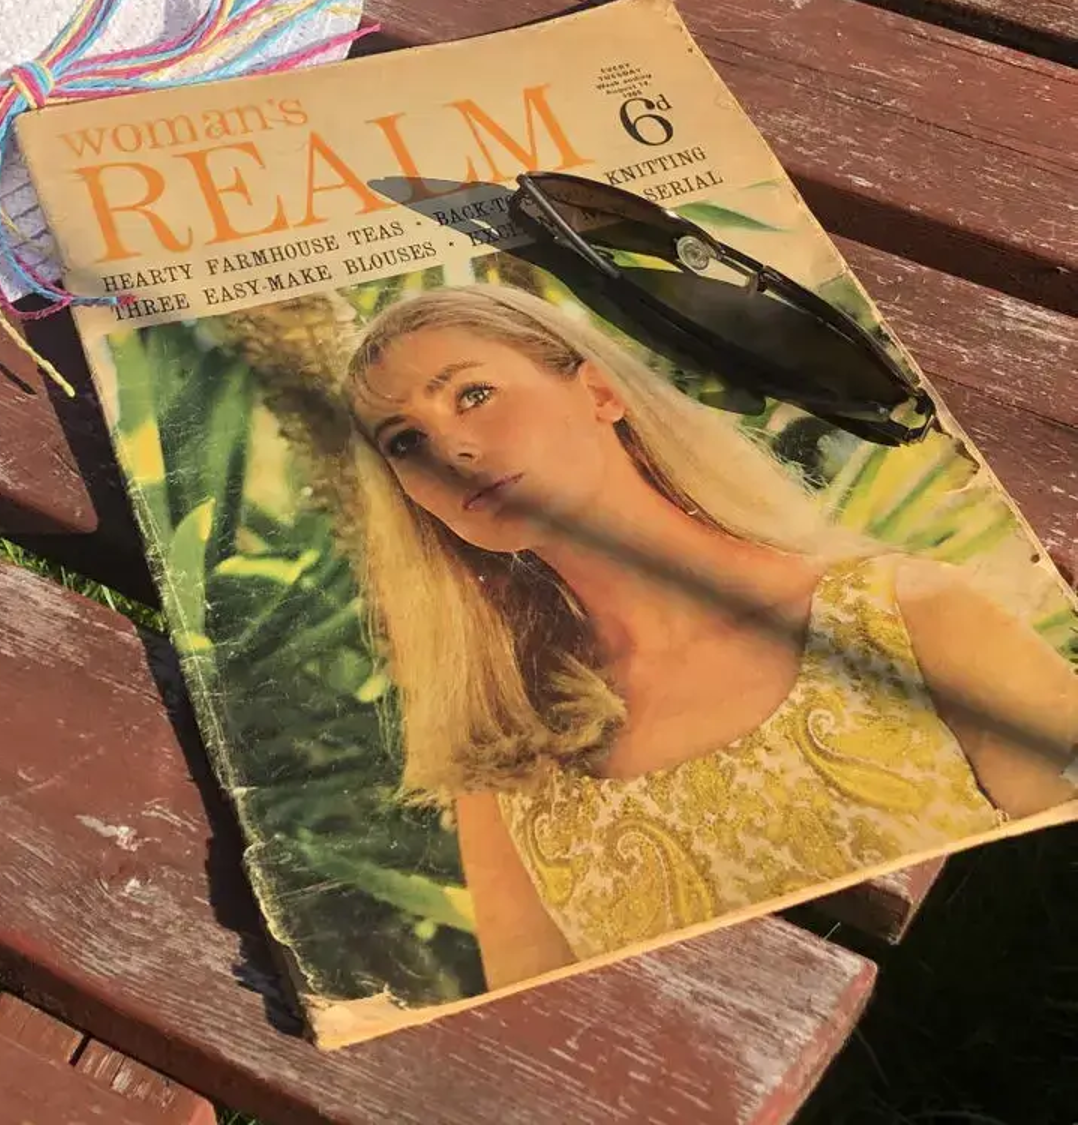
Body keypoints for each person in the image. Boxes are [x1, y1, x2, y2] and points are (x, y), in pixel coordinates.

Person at [341, 282, 1078, 990]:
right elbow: (554, 1026)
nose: (450, 450)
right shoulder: (507, 760)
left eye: (473, 394)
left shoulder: (905, 617)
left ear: (600, 392)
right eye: (405, 442)